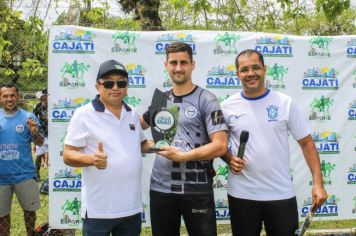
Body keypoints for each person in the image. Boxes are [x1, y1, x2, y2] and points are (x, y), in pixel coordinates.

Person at [221, 49, 327, 236]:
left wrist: (318, 183)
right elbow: (218, 144)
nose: (250, 73)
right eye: (244, 69)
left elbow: (307, 144)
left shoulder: (285, 103)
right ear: (237, 73)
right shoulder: (227, 106)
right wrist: (229, 158)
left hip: (280, 193)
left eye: (255, 67)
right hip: (241, 195)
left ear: (265, 69)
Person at [141, 42, 228, 236]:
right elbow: (132, 129)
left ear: (192, 65)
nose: (178, 68)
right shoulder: (160, 99)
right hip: (161, 188)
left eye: (183, 62)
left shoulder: (207, 99)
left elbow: (220, 145)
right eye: (173, 63)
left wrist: (183, 156)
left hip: (196, 187)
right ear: (166, 65)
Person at [63, 59, 154, 236]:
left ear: (126, 86)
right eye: (109, 83)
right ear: (98, 86)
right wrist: (91, 159)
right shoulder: (83, 114)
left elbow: (141, 144)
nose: (115, 87)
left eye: (121, 83)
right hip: (99, 210)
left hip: (131, 208)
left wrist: (158, 147)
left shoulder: (132, 113)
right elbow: (68, 154)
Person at [0, 83, 43, 236]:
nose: (9, 99)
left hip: (24, 175)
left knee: (30, 212)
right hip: (1, 177)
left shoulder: (28, 117)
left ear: (17, 97)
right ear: (0, 98)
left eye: (12, 95)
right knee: (2, 216)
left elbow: (40, 143)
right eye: (5, 96)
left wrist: (34, 132)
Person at [33, 88, 48, 181]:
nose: (43, 99)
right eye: (41, 98)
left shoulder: (54, 105)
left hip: (54, 133)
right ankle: (36, 173)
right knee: (39, 155)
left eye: (44, 97)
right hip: (42, 133)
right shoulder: (38, 106)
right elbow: (33, 118)